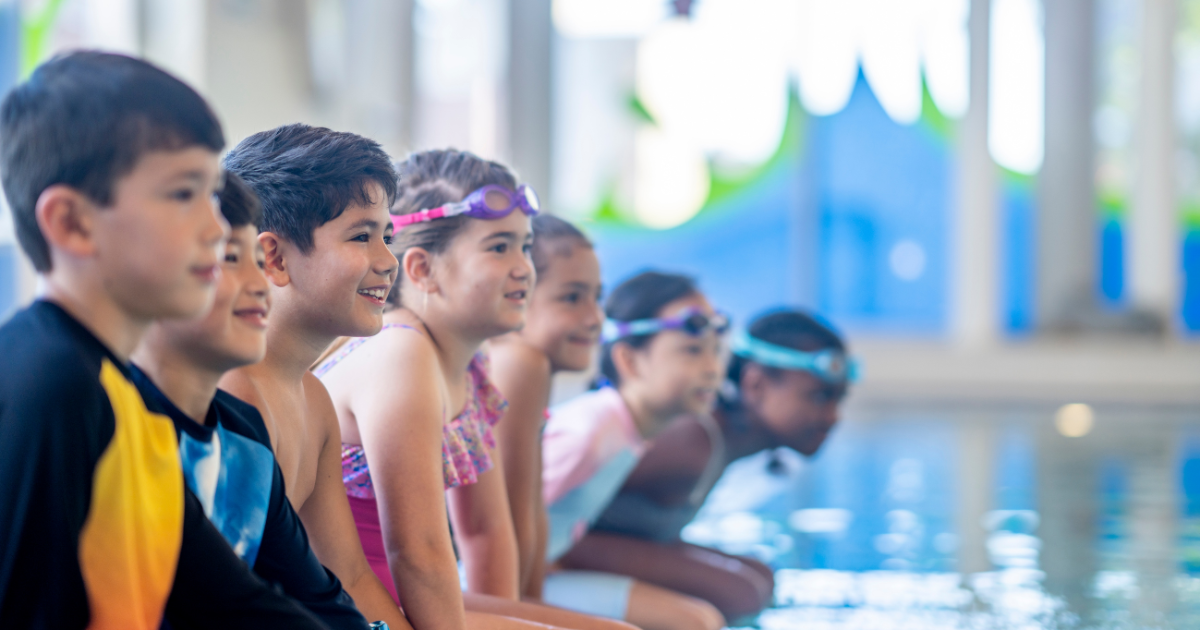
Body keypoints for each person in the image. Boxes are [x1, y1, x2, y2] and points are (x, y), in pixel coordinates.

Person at [0, 52, 325, 628]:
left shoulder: (127, 402)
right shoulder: (52, 383)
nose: (216, 227)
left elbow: (238, 602)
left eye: (212, 196)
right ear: (72, 223)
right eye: (182, 194)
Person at [315, 149, 635, 630]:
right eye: (499, 247)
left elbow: (485, 530)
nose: (524, 268)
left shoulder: (470, 363)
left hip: (400, 597)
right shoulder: (401, 353)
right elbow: (416, 551)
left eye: (525, 246)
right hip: (349, 610)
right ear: (422, 270)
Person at [129, 172, 372, 629]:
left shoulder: (239, 431)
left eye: (255, 261)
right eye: (226, 258)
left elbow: (318, 597)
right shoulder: (104, 416)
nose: (258, 282)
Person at [220, 123, 413, 630]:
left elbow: (350, 577)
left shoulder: (313, 398)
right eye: (362, 236)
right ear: (275, 257)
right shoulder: (234, 391)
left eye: (387, 236)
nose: (388, 261)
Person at [564, 309, 854, 622]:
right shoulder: (692, 441)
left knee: (761, 578)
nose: (833, 417)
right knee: (741, 593)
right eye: (819, 397)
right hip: (551, 557)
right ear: (755, 384)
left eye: (838, 400)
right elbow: (558, 513)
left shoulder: (715, 441)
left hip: (579, 546)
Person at [537, 271, 730, 630]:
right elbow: (492, 520)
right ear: (629, 360)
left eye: (715, 351)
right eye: (692, 351)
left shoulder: (628, 429)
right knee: (694, 623)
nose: (712, 370)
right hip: (495, 584)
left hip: (537, 574)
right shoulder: (590, 432)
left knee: (701, 619)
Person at [489, 215, 603, 601]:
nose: (595, 318)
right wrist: (529, 615)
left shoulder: (529, 366)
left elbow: (531, 517)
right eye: (572, 298)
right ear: (517, 292)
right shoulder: (520, 363)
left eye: (597, 297)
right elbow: (511, 521)